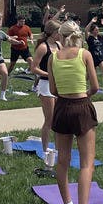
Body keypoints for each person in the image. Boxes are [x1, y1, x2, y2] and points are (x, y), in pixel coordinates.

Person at [47, 19, 101, 204]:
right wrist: (84, 94)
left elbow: (53, 90)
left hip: (61, 108)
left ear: (60, 36)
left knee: (63, 160)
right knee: (87, 163)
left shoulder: (53, 58)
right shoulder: (84, 54)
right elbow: (95, 86)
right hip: (81, 106)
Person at [30, 19, 62, 153]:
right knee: (49, 119)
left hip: (58, 85)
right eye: (58, 31)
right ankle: (44, 149)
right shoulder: (43, 47)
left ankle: (58, 147)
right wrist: (49, 75)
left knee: (58, 119)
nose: (60, 34)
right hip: (45, 85)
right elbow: (34, 68)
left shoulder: (59, 45)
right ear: (52, 32)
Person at [85, 20, 103, 94]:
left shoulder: (101, 37)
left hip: (101, 58)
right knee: (88, 75)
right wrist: (91, 22)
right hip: (92, 59)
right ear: (92, 31)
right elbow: (86, 30)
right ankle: (82, 86)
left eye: (98, 30)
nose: (98, 31)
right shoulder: (89, 38)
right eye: (96, 30)